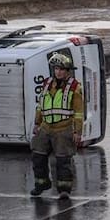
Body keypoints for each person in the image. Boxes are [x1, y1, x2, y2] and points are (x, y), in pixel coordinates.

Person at [30, 52, 85, 197]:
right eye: (56, 69)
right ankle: (41, 184)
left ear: (67, 71)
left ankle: (64, 190)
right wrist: (37, 123)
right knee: (38, 156)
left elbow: (79, 112)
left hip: (64, 128)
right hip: (46, 127)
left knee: (63, 161)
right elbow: (40, 106)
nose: (58, 72)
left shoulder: (75, 87)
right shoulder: (47, 84)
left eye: (61, 69)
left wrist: (77, 132)